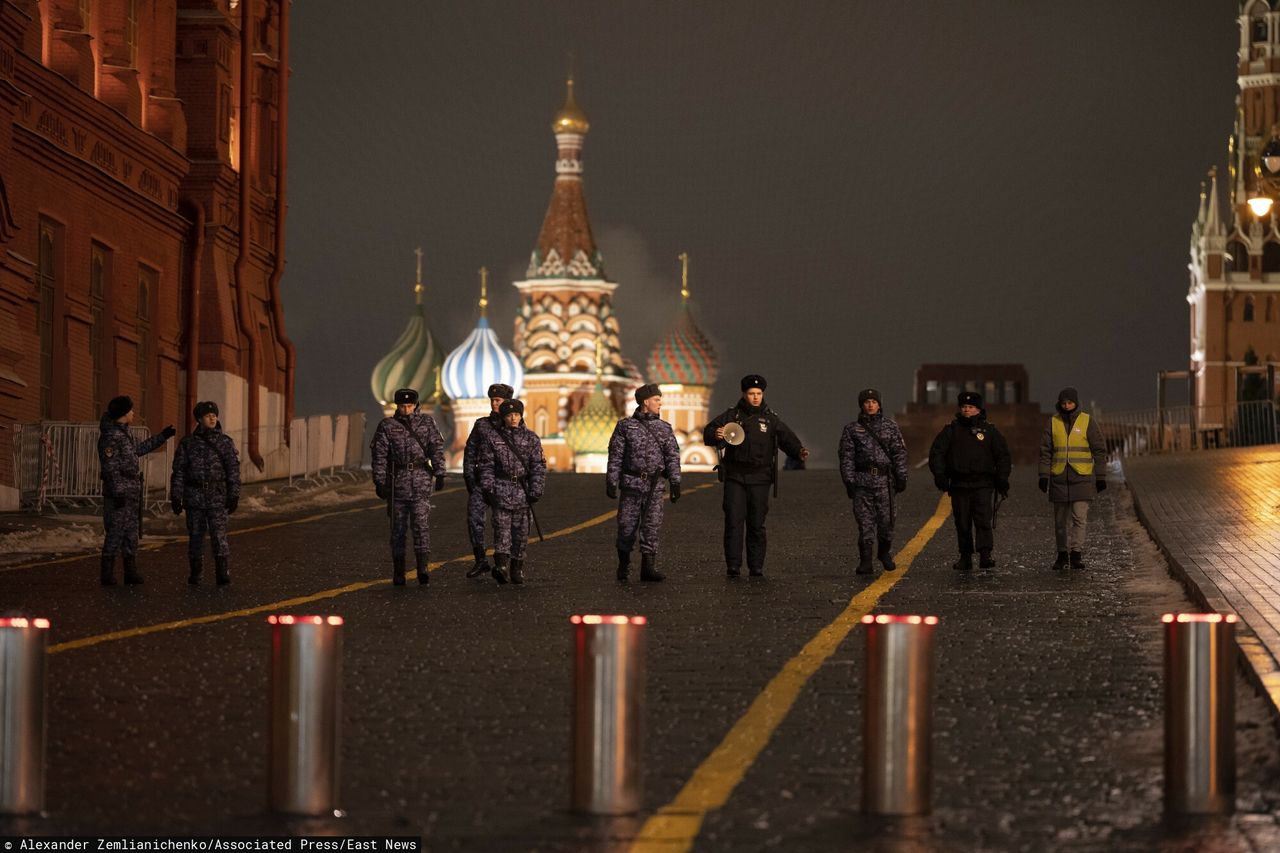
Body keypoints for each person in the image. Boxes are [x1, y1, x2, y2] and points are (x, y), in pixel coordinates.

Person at [703, 374, 808, 577]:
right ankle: (733, 566)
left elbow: (787, 438)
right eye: (751, 393)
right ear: (744, 394)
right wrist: (715, 433)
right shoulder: (732, 416)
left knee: (756, 523)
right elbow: (709, 431)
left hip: (760, 478)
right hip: (735, 476)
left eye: (759, 393)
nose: (755, 397)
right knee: (733, 522)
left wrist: (799, 451)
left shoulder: (770, 419)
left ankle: (756, 566)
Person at [370, 388, 447, 586]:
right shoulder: (387, 426)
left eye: (410, 405)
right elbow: (379, 457)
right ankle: (399, 571)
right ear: (397, 406)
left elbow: (436, 449)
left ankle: (423, 568)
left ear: (416, 405)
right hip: (397, 484)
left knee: (421, 527)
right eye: (403, 406)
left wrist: (440, 473)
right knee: (398, 529)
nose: (406, 409)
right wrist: (379, 482)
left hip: (421, 482)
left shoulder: (427, 423)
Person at [606, 383, 682, 582]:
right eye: (657, 400)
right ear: (645, 402)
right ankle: (623, 565)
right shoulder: (625, 426)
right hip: (631, 485)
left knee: (651, 526)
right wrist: (611, 481)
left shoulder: (664, 428)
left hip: (654, 487)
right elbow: (616, 455)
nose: (660, 403)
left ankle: (648, 568)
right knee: (626, 527)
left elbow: (672, 456)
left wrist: (675, 482)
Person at [928, 391, 1011, 572]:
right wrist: (940, 476)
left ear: (978, 409)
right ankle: (965, 557)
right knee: (963, 523)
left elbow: (1003, 455)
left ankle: (985, 555)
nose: (966, 410)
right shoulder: (951, 430)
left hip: (983, 484)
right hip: (959, 485)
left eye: (970, 407)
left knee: (983, 521)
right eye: (964, 407)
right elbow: (937, 454)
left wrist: (1002, 478)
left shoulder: (990, 431)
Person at [97, 395, 175, 585]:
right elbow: (110, 468)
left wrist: (162, 437)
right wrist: (118, 492)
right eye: (130, 410)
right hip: (120, 493)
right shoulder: (110, 437)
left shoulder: (124, 433)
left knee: (131, 532)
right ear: (123, 413)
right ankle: (107, 574)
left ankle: (130, 571)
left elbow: (138, 450)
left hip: (131, 491)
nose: (133, 413)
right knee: (115, 531)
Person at [170, 401, 241, 585]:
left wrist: (234, 495)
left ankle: (222, 573)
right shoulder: (188, 443)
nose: (212, 417)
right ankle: (196, 573)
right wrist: (176, 496)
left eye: (214, 415)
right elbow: (179, 472)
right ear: (199, 419)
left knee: (219, 536)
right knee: (195, 536)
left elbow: (233, 470)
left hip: (217, 497)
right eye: (208, 415)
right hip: (194, 498)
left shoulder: (225, 442)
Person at [838, 389, 908, 575]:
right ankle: (866, 561)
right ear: (861, 405)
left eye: (873, 401)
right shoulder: (852, 429)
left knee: (887, 523)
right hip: (863, 482)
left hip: (885, 482)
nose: (870, 405)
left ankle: (884, 553)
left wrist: (902, 476)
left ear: (879, 404)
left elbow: (899, 453)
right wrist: (849, 481)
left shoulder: (890, 427)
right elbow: (846, 457)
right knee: (865, 524)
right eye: (867, 402)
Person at [477, 399, 546, 585]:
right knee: (501, 531)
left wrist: (536, 490)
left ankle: (517, 568)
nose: (513, 418)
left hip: (523, 493)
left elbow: (538, 467)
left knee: (522, 534)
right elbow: (486, 466)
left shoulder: (531, 438)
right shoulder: (493, 438)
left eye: (516, 414)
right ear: (504, 417)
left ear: (521, 415)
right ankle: (501, 567)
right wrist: (488, 489)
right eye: (509, 415)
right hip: (501, 491)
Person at [1038, 386, 1108, 570]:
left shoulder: (1087, 421)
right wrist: (1043, 475)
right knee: (1060, 521)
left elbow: (1099, 450)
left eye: (1070, 402)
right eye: (1064, 403)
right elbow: (1045, 451)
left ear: (1076, 403)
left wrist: (1100, 476)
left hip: (1081, 477)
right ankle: (1062, 555)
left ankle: (1076, 554)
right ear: (1059, 404)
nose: (1067, 406)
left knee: (1079, 519)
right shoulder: (1052, 422)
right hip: (1059, 478)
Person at [462, 383, 514, 579]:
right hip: (481, 484)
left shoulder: (515, 424)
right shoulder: (482, 425)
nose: (494, 403)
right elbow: (470, 450)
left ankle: (502, 564)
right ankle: (480, 560)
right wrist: (468, 475)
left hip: (505, 484)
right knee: (474, 519)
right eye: (492, 400)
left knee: (502, 524)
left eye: (498, 400)